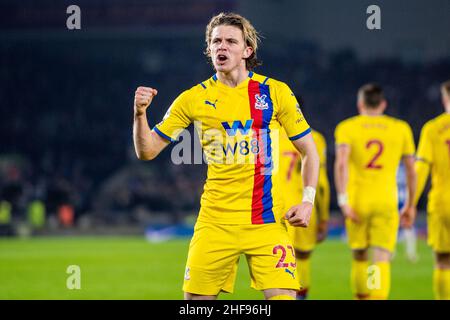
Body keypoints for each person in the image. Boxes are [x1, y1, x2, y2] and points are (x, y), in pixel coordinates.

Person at [133, 12, 319, 300]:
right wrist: (140, 114)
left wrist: (307, 202)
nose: (222, 46)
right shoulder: (192, 99)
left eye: (231, 41)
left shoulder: (275, 92)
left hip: (266, 220)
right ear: (208, 49)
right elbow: (146, 150)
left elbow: (310, 151)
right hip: (215, 221)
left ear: (247, 50)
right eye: (216, 41)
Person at [334, 83, 416, 300]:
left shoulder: (347, 127)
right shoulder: (401, 128)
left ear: (360, 104)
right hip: (386, 201)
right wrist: (411, 204)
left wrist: (343, 200)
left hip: (357, 201)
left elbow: (341, 163)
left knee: (360, 257)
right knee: (380, 260)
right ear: (383, 104)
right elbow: (411, 170)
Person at [279, 128, 330, 299]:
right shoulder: (315, 138)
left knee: (279, 259)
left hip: (276, 207)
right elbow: (321, 183)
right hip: (305, 205)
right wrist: (323, 217)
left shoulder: (267, 133)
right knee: (303, 257)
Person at [414, 80, 450, 300]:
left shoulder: (432, 128)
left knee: (443, 261)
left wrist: (409, 204)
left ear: (445, 98)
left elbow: (421, 169)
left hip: (442, 203)